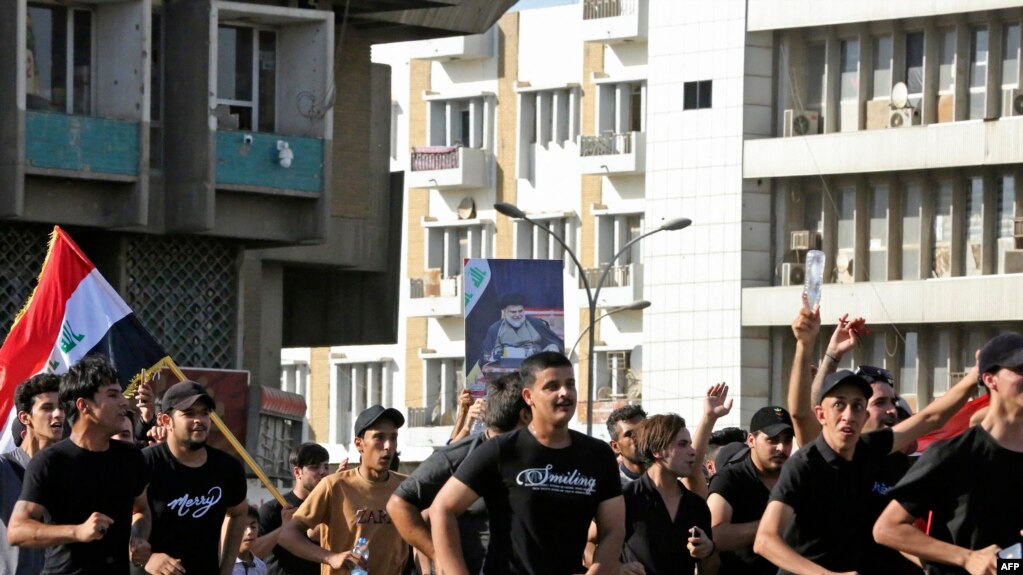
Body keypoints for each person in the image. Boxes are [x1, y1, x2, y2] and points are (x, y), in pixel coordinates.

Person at [755, 365, 980, 575]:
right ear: (821, 414)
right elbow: (765, 541)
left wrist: (973, 377)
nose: (849, 415)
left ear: (864, 416)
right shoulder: (803, 465)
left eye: (858, 406)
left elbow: (929, 418)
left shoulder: (872, 450)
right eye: (839, 405)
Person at [431, 352, 623, 575]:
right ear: (528, 396)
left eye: (570, 384)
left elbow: (613, 529)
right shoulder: (502, 450)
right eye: (552, 386)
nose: (565, 393)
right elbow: (442, 508)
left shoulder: (598, 455)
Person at [873, 333, 1023, 575]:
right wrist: (967, 558)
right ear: (990, 379)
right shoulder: (953, 455)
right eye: (1020, 368)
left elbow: (1008, 565)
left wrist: (1009, 563)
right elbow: (887, 528)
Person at [8, 355, 153, 574]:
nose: (124, 402)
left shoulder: (131, 458)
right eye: (112, 395)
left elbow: (141, 509)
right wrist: (77, 532)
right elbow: (17, 530)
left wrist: (138, 537)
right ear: (83, 405)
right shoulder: (50, 462)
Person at [387, 373, 529, 575]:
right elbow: (399, 505)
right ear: (526, 415)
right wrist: (439, 556)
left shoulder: (537, 455)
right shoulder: (460, 455)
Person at [134, 379, 249, 575]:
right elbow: (120, 519)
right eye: (189, 413)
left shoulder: (228, 468)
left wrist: (226, 568)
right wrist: (147, 558)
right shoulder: (145, 463)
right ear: (165, 420)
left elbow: (238, 512)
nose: (199, 420)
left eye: (205, 413)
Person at [279, 405, 408, 574]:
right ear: (359, 444)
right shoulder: (334, 486)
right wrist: (331, 557)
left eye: (393, 438)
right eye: (379, 437)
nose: (388, 446)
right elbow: (288, 535)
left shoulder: (407, 488)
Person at [621, 413, 719, 575]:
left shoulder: (696, 505)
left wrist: (708, 551)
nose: (692, 452)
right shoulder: (626, 498)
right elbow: (590, 543)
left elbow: (710, 569)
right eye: (683, 444)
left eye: (690, 444)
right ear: (657, 450)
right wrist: (617, 568)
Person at [707, 406, 794, 575]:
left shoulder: (795, 478)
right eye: (773, 440)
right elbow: (714, 534)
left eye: (787, 440)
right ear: (752, 440)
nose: (781, 448)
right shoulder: (730, 479)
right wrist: (772, 525)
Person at [0, 374, 66, 575]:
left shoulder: (70, 471)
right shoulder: (3, 468)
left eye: (61, 407)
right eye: (47, 408)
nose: (58, 414)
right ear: (25, 418)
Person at [252, 442, 330, 575]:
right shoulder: (273, 509)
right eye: (314, 467)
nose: (322, 472)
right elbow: (253, 552)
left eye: (326, 466)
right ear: (297, 471)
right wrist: (284, 529)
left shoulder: (329, 506)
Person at [480, 293, 563, 363]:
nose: (517, 315)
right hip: (505, 370)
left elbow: (556, 344)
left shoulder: (536, 323)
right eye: (513, 312)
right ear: (504, 312)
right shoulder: (495, 328)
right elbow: (486, 355)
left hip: (534, 365)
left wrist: (553, 347)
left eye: (520, 311)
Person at [606, 404, 647, 486]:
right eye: (630, 435)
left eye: (643, 431)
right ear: (615, 446)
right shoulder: (611, 487)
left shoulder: (669, 481)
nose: (640, 437)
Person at [235, 507, 269, 575]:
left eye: (253, 527)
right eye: (242, 527)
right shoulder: (221, 565)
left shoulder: (261, 567)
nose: (249, 532)